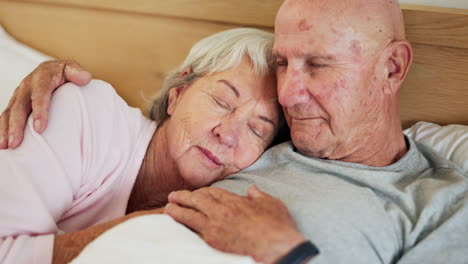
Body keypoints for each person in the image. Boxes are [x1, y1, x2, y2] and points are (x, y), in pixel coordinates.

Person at [2, 0, 468, 263]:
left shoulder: (440, 201)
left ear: (392, 67)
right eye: (284, 64)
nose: (289, 92)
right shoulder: (286, 134)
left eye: (320, 64)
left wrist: (287, 253)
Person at [0, 28, 284, 264]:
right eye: (221, 101)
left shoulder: (226, 216)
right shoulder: (85, 112)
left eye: (257, 130)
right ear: (177, 93)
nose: (229, 134)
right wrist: (151, 223)